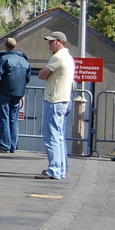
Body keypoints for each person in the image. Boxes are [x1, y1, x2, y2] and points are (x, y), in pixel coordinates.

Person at [36, 31, 74, 180]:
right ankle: (61, 168)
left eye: (52, 41)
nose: (49, 44)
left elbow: (42, 74)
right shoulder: (68, 57)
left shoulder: (57, 57)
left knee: (51, 136)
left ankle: (54, 169)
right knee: (59, 136)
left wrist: (43, 72)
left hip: (55, 100)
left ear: (60, 42)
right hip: (64, 100)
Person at [0, 37, 30, 153]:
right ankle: (12, 145)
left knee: (4, 119)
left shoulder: (4, 59)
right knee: (14, 119)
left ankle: (4, 145)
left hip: (4, 92)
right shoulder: (24, 61)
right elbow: (27, 77)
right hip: (18, 93)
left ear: (5, 46)